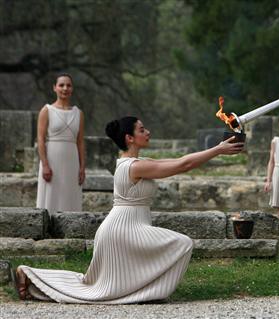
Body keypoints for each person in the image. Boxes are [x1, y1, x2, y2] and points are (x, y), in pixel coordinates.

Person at [15, 116, 244, 303]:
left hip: (128, 227)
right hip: (122, 231)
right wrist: (218, 150)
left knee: (90, 284)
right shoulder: (134, 166)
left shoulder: (137, 162)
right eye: (142, 129)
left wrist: (218, 149)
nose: (148, 132)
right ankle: (148, 293)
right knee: (182, 244)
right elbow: (183, 165)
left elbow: (181, 161)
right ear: (129, 137)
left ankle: (30, 275)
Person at [36, 73, 85, 214]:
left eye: (68, 85)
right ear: (54, 88)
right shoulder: (47, 110)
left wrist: (82, 167)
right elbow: (40, 139)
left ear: (72, 88)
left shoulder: (79, 113)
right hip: (52, 159)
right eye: (61, 85)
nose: (65, 88)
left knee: (70, 193)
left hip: (72, 160)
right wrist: (45, 164)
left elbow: (80, 142)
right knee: (52, 193)